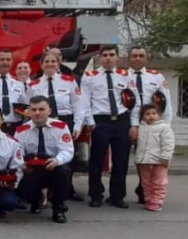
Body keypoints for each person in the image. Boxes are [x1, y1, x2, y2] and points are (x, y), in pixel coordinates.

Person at [26, 50, 84, 201]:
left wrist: (77, 125)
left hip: (65, 121)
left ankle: (66, 190)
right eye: (47, 62)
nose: (50, 64)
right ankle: (44, 193)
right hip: (43, 121)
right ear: (41, 65)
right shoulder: (34, 85)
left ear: (58, 64)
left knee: (66, 157)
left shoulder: (69, 81)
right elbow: (29, 107)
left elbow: (78, 104)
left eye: (53, 62)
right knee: (43, 154)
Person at [79, 46, 132, 208]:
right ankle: (96, 194)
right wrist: (90, 122)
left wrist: (133, 123)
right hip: (100, 120)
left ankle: (117, 196)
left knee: (121, 160)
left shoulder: (126, 75)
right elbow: (85, 101)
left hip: (121, 120)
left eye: (112, 55)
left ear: (117, 57)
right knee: (97, 160)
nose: (108, 58)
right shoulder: (90, 76)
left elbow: (133, 100)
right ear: (100, 58)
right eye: (105, 55)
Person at [14, 96, 73, 223]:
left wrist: (57, 161)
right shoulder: (21, 130)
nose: (37, 113)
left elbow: (67, 150)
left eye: (41, 109)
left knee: (64, 172)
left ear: (49, 111)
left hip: (53, 167)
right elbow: (16, 155)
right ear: (28, 112)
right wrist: (23, 166)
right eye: (34, 110)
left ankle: (58, 209)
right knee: (26, 191)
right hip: (32, 171)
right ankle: (35, 201)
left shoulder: (61, 127)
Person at [127, 45, 172, 204]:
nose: (137, 58)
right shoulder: (123, 76)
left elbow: (166, 102)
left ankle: (146, 192)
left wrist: (166, 124)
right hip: (129, 123)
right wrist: (134, 125)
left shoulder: (157, 77)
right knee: (136, 159)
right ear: (129, 59)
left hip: (152, 124)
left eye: (141, 55)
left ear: (146, 58)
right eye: (134, 56)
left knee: (150, 160)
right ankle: (128, 192)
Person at [134, 104, 175, 212]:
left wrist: (166, 157)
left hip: (159, 160)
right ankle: (149, 200)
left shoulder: (164, 127)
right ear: (142, 116)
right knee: (146, 182)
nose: (151, 116)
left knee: (159, 182)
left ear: (159, 115)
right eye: (147, 114)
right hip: (144, 161)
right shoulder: (140, 127)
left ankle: (157, 201)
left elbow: (168, 143)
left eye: (154, 113)